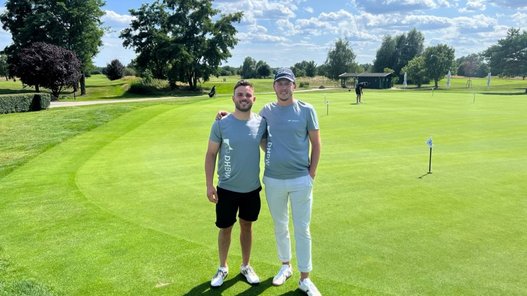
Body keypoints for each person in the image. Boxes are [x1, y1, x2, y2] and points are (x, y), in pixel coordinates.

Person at [261, 68, 322, 296]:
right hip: (273, 179)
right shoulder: (266, 111)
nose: (284, 88)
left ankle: (305, 278)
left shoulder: (307, 110)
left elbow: (316, 144)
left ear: (294, 86)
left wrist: (311, 174)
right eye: (280, 84)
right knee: (280, 225)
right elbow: (255, 133)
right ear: (274, 87)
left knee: (302, 228)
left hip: (300, 179)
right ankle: (285, 266)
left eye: (288, 83)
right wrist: (223, 116)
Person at [204, 80, 267, 288]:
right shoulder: (221, 123)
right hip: (226, 189)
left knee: (247, 227)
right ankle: (222, 267)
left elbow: (270, 147)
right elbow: (211, 154)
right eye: (240, 95)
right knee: (225, 229)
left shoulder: (261, 123)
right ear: (233, 98)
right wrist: (209, 185)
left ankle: (246, 266)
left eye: (248, 95)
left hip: (251, 189)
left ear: (254, 99)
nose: (244, 98)